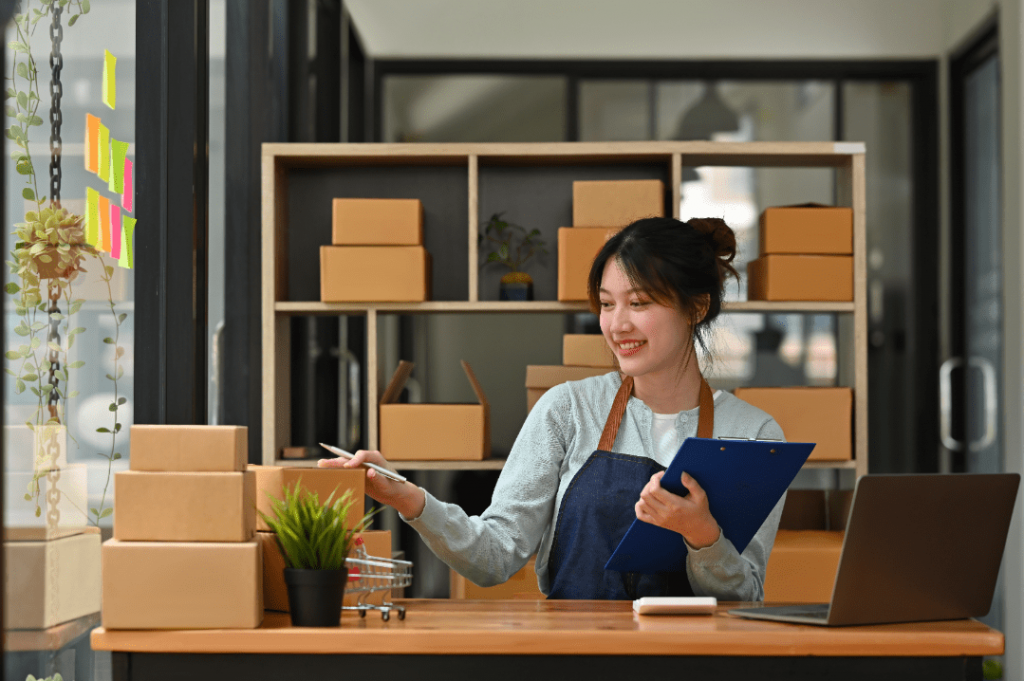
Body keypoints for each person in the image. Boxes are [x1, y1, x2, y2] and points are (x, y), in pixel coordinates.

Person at [319, 216, 786, 601]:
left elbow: (745, 594)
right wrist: (408, 498)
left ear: (696, 307)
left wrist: (702, 535)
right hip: (574, 658)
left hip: (698, 664)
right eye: (606, 304)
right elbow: (495, 556)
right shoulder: (568, 410)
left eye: (639, 302)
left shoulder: (754, 435)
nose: (617, 324)